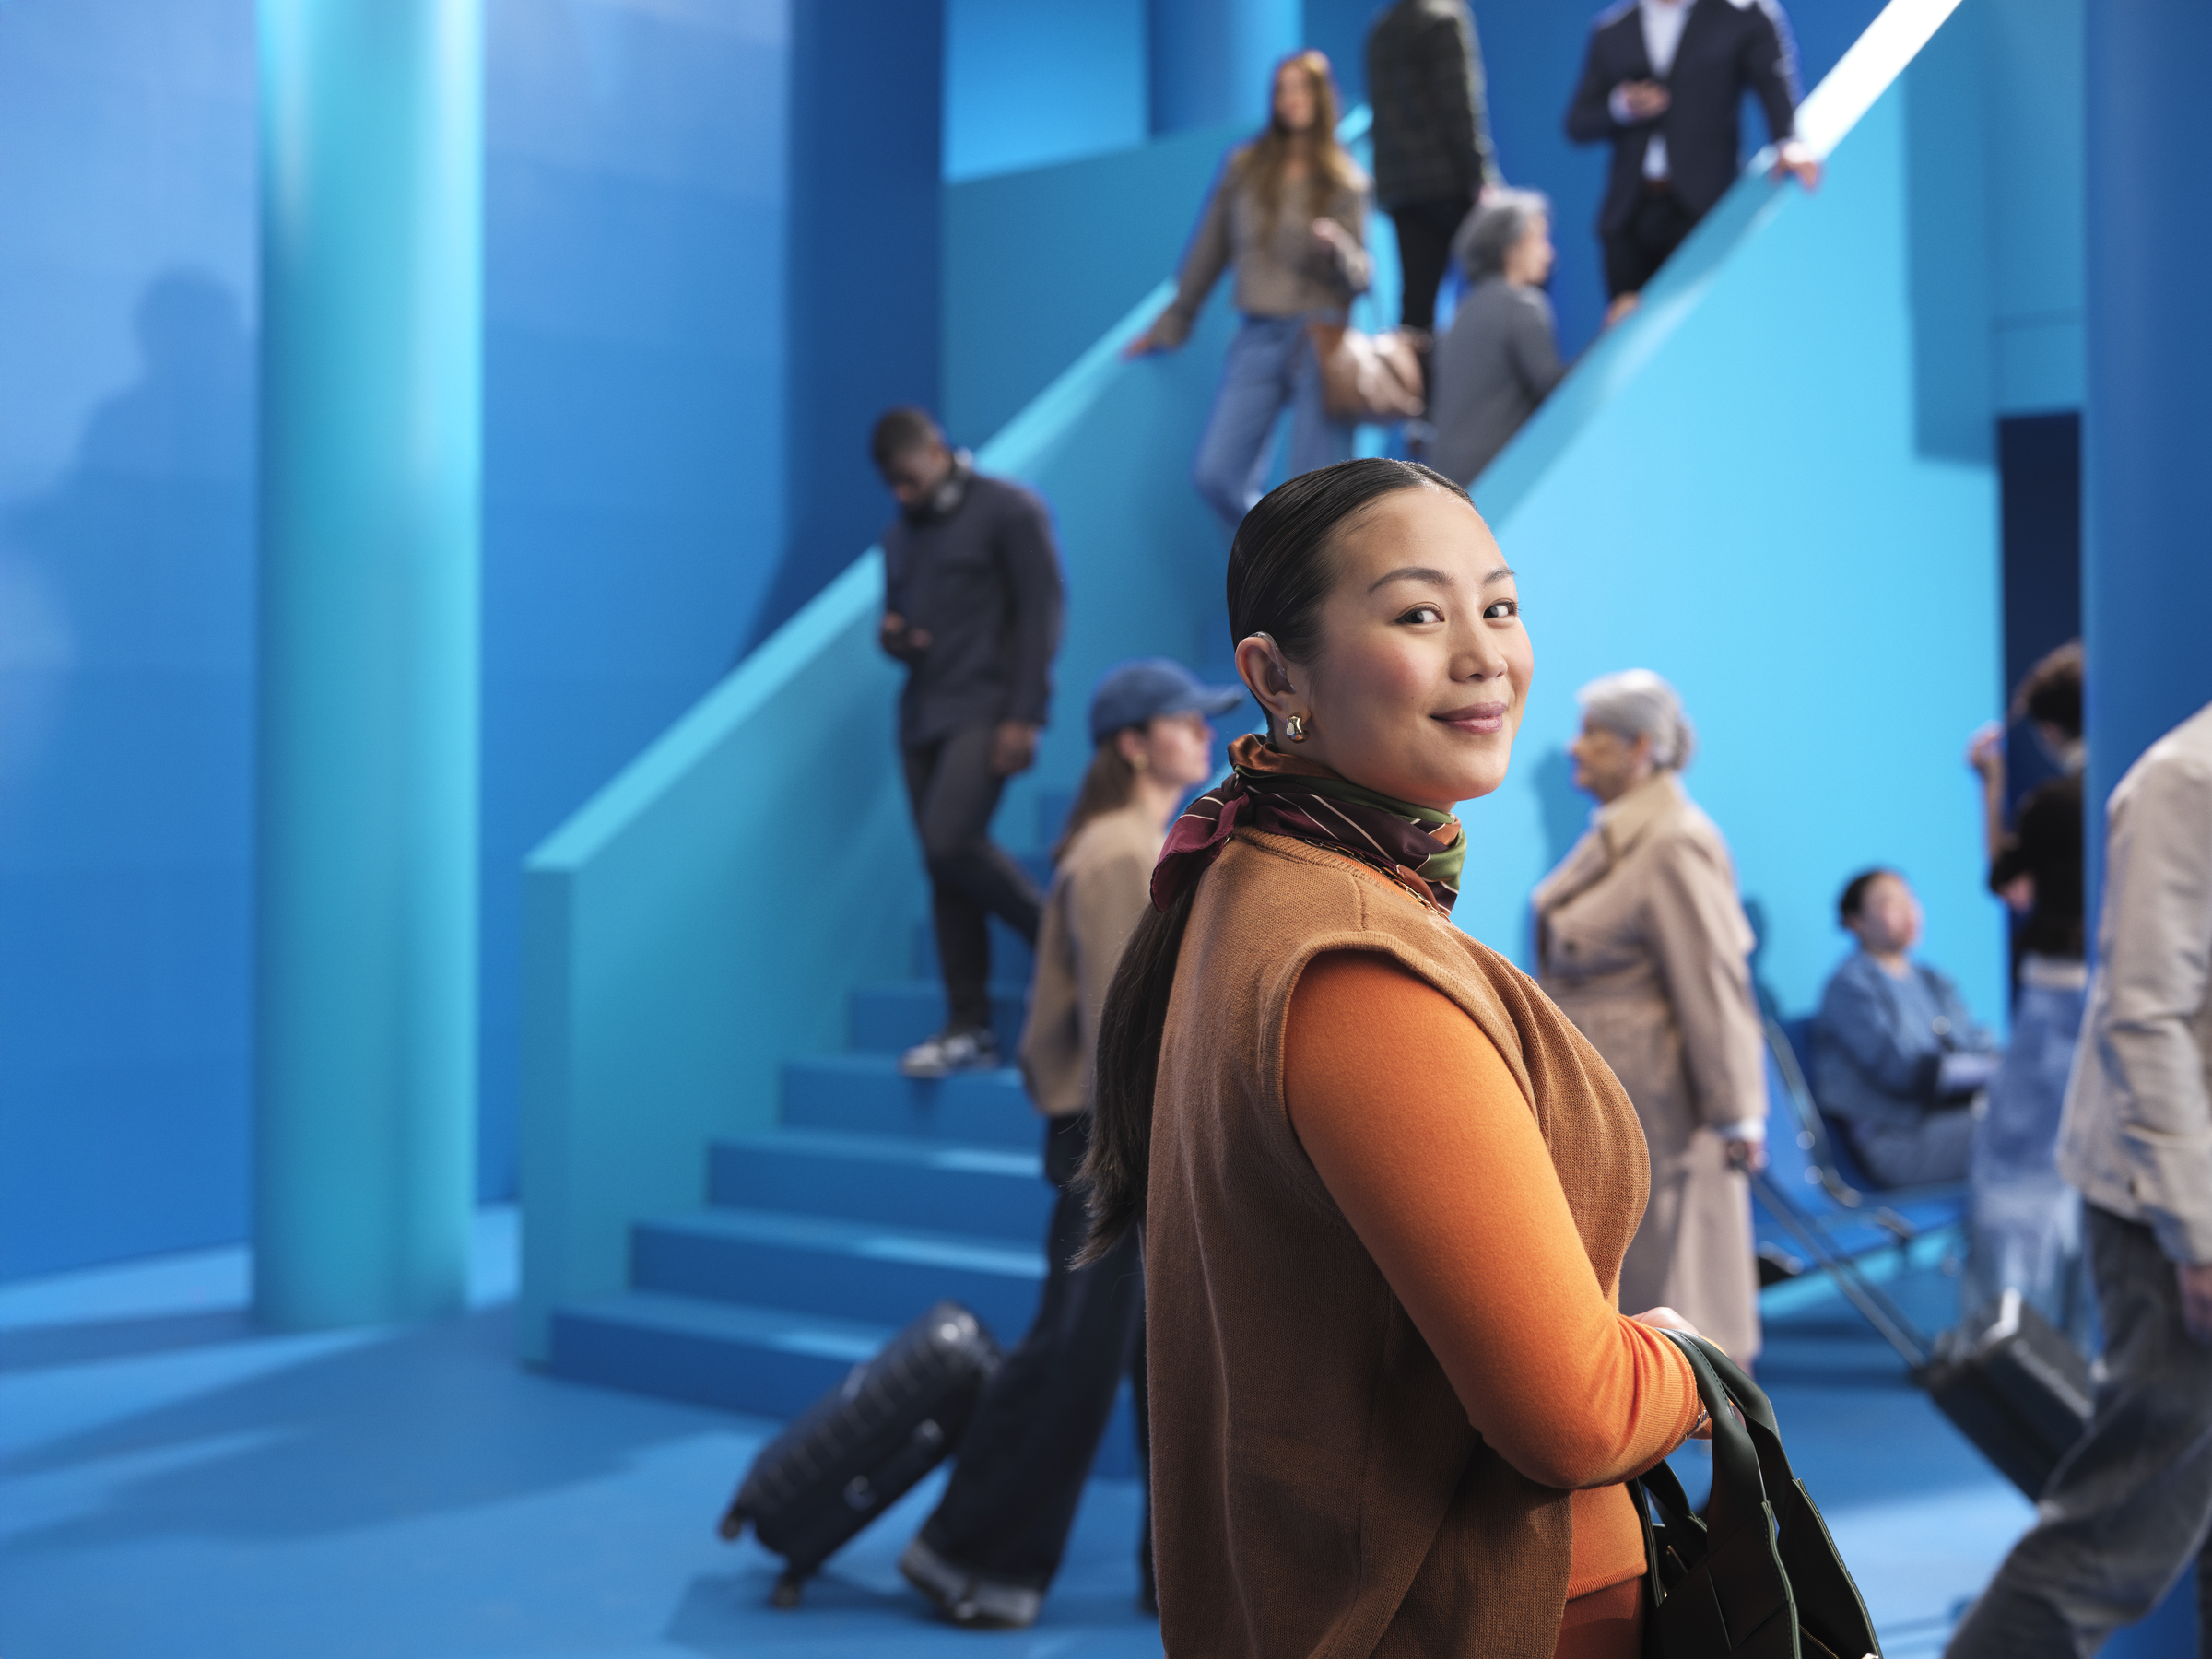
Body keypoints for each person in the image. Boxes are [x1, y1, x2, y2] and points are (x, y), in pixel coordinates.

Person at [1079, 459, 1708, 1657]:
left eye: (1501, 606)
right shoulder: (1362, 968)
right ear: (1275, 677)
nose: (1484, 654)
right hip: (1494, 1612)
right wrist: (1690, 1361)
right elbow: (1570, 1416)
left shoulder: (1250, 876)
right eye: (1420, 614)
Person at [900, 659, 1241, 1630]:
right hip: (1119, 1137)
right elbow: (1122, 1028)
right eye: (1182, 721)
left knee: (1159, 1367)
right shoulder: (1116, 855)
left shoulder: (1138, 843)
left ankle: (1175, 1575)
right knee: (1073, 1360)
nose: (1200, 734)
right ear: (1134, 744)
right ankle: (967, 1556)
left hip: (1127, 1129)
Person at [1946, 700, 2212, 1659]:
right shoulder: (2184, 780)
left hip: (2168, 1188)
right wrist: (2197, 1232)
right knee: (2117, 1535)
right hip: (2172, 1211)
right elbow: (2148, 1016)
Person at [1531, 669, 1768, 1364]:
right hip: (1613, 1102)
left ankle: (1686, 1429)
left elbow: (1713, 985)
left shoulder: (1672, 840)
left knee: (1670, 1284)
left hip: (1659, 1111)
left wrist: (1738, 1113)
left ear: (1640, 749)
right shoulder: (1619, 834)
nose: (1575, 749)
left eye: (1593, 735)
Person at [874, 406, 1064, 1078]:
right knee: (940, 861)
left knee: (950, 840)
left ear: (934, 450)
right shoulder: (900, 536)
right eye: (890, 486)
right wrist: (894, 638)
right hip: (923, 714)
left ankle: (1064, 941)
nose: (901, 495)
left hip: (987, 707)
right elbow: (893, 620)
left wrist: (1026, 715)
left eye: (907, 478)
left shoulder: (1010, 510)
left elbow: (1043, 611)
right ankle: (968, 1026)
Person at [1125, 52, 1373, 534]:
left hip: (1320, 336)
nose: (1291, 99)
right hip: (1258, 332)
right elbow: (1207, 249)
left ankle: (1307, 596)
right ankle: (1272, 558)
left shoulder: (1345, 177)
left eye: (1302, 88)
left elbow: (1362, 277)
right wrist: (1174, 321)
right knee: (1216, 475)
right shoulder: (1244, 166)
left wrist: (1338, 247)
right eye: (1282, 88)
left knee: (1318, 493)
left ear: (1321, 98)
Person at [1963, 641, 2089, 1335]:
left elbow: (2011, 886)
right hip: (2127, 993)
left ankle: (2016, 1324)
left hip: (2059, 1001)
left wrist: (1990, 784)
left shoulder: (2052, 804)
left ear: (2048, 728)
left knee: (2021, 1168)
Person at [1564, 0, 1820, 322]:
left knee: (1717, 322)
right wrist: (1622, 105)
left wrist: (1789, 140)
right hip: (1630, 219)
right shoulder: (1612, 30)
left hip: (1706, 208)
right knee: (1630, 333)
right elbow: (1577, 123)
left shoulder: (1739, 14)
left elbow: (1772, 77)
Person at [1813, 868, 1999, 1189]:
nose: (1907, 910)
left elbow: (1978, 1044)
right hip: (1900, 1138)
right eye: (1890, 902)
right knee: (2024, 1127)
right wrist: (1990, 1070)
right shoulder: (1850, 986)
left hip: (1953, 1118)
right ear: (1856, 922)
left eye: (1910, 899)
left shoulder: (1932, 979)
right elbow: (1905, 1073)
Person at [1364, 0, 1500, 355]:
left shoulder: (1382, 29)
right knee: (1498, 284)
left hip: (1401, 190)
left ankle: (1420, 405)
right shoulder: (1444, 20)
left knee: (1416, 311)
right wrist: (1482, 177)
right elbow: (1459, 108)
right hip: (1449, 184)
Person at [1427, 188, 1566, 487]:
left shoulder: (1461, 314)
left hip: (1449, 482)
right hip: (1500, 479)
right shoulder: (1521, 304)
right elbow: (1556, 388)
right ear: (1511, 247)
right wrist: (1611, 335)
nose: (1549, 254)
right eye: (1540, 240)